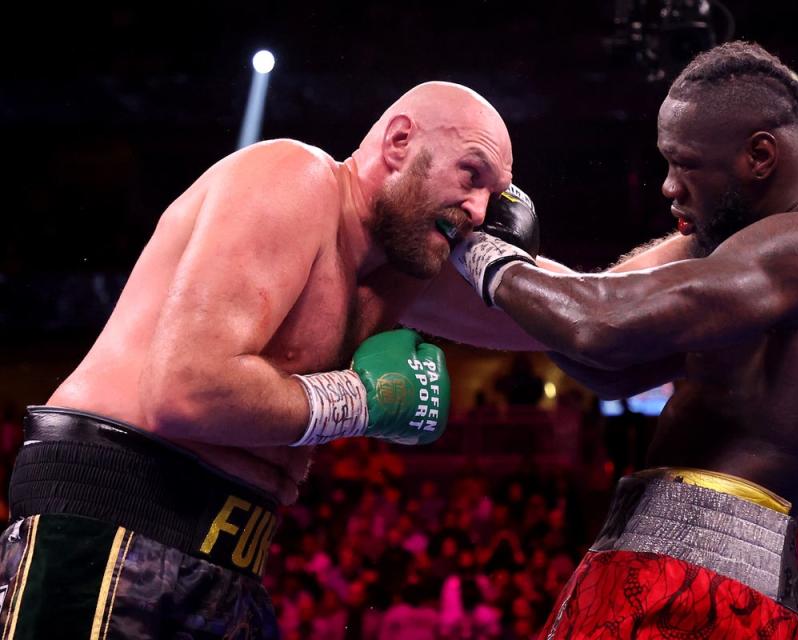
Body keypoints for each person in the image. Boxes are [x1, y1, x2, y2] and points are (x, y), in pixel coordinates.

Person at [0, 81, 515, 638]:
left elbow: (572, 322)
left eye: (495, 195)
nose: (480, 209)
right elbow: (187, 391)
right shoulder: (295, 179)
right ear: (399, 141)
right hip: (111, 520)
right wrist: (361, 400)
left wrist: (508, 258)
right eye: (472, 174)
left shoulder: (400, 272)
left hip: (227, 561)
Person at [451, 41, 798, 637]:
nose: (668, 186)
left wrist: (480, 253)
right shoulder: (776, 264)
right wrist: (527, 269)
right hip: (693, 570)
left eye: (684, 163)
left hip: (693, 579)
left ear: (761, 155)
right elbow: (605, 365)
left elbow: (597, 325)